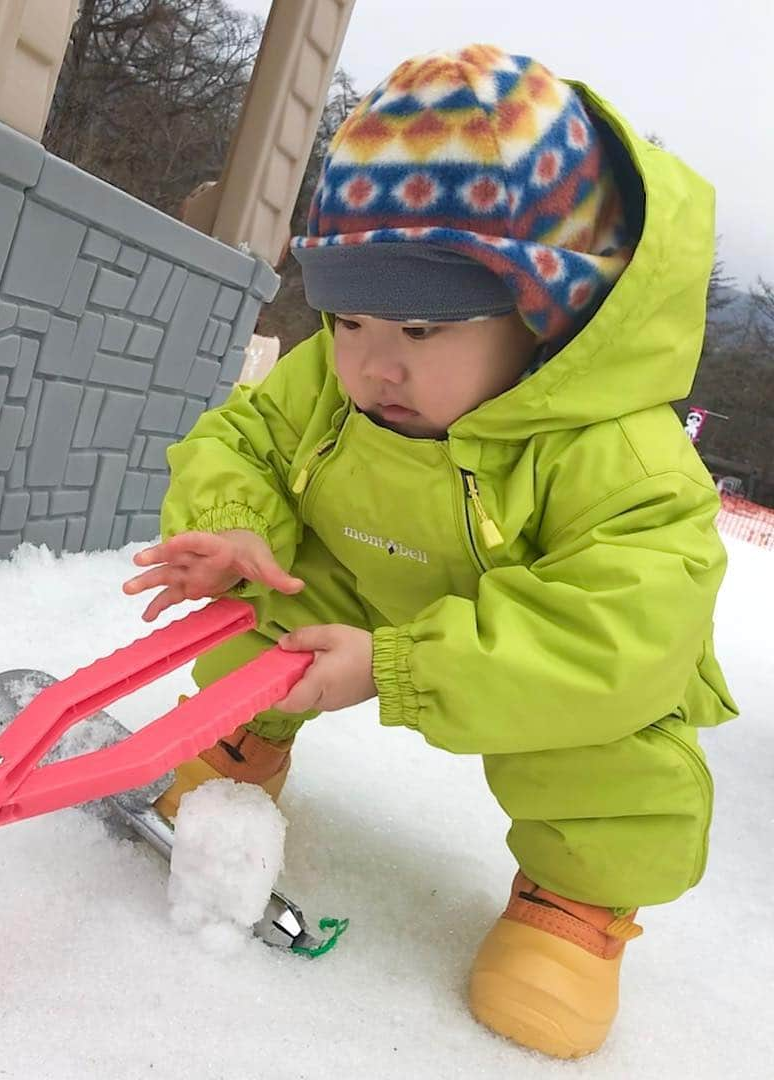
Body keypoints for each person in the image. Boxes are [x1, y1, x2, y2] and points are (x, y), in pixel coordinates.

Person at [123, 44, 737, 1059]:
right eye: (346, 315)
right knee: (268, 595)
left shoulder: (618, 453)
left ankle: (574, 900)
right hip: (365, 576)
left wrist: (404, 671)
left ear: (546, 311)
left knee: (614, 745)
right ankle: (241, 738)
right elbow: (243, 437)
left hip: (542, 645)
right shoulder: (337, 376)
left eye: (418, 323)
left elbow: (620, 632)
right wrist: (237, 523)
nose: (371, 363)